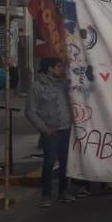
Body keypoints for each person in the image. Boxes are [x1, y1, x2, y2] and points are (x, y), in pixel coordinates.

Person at [25, 58, 74, 208]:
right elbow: (30, 112)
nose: (62, 69)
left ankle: (63, 191)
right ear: (49, 68)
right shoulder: (37, 87)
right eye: (59, 66)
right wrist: (44, 129)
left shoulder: (65, 84)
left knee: (66, 162)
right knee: (49, 163)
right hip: (51, 132)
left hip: (66, 129)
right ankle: (46, 195)